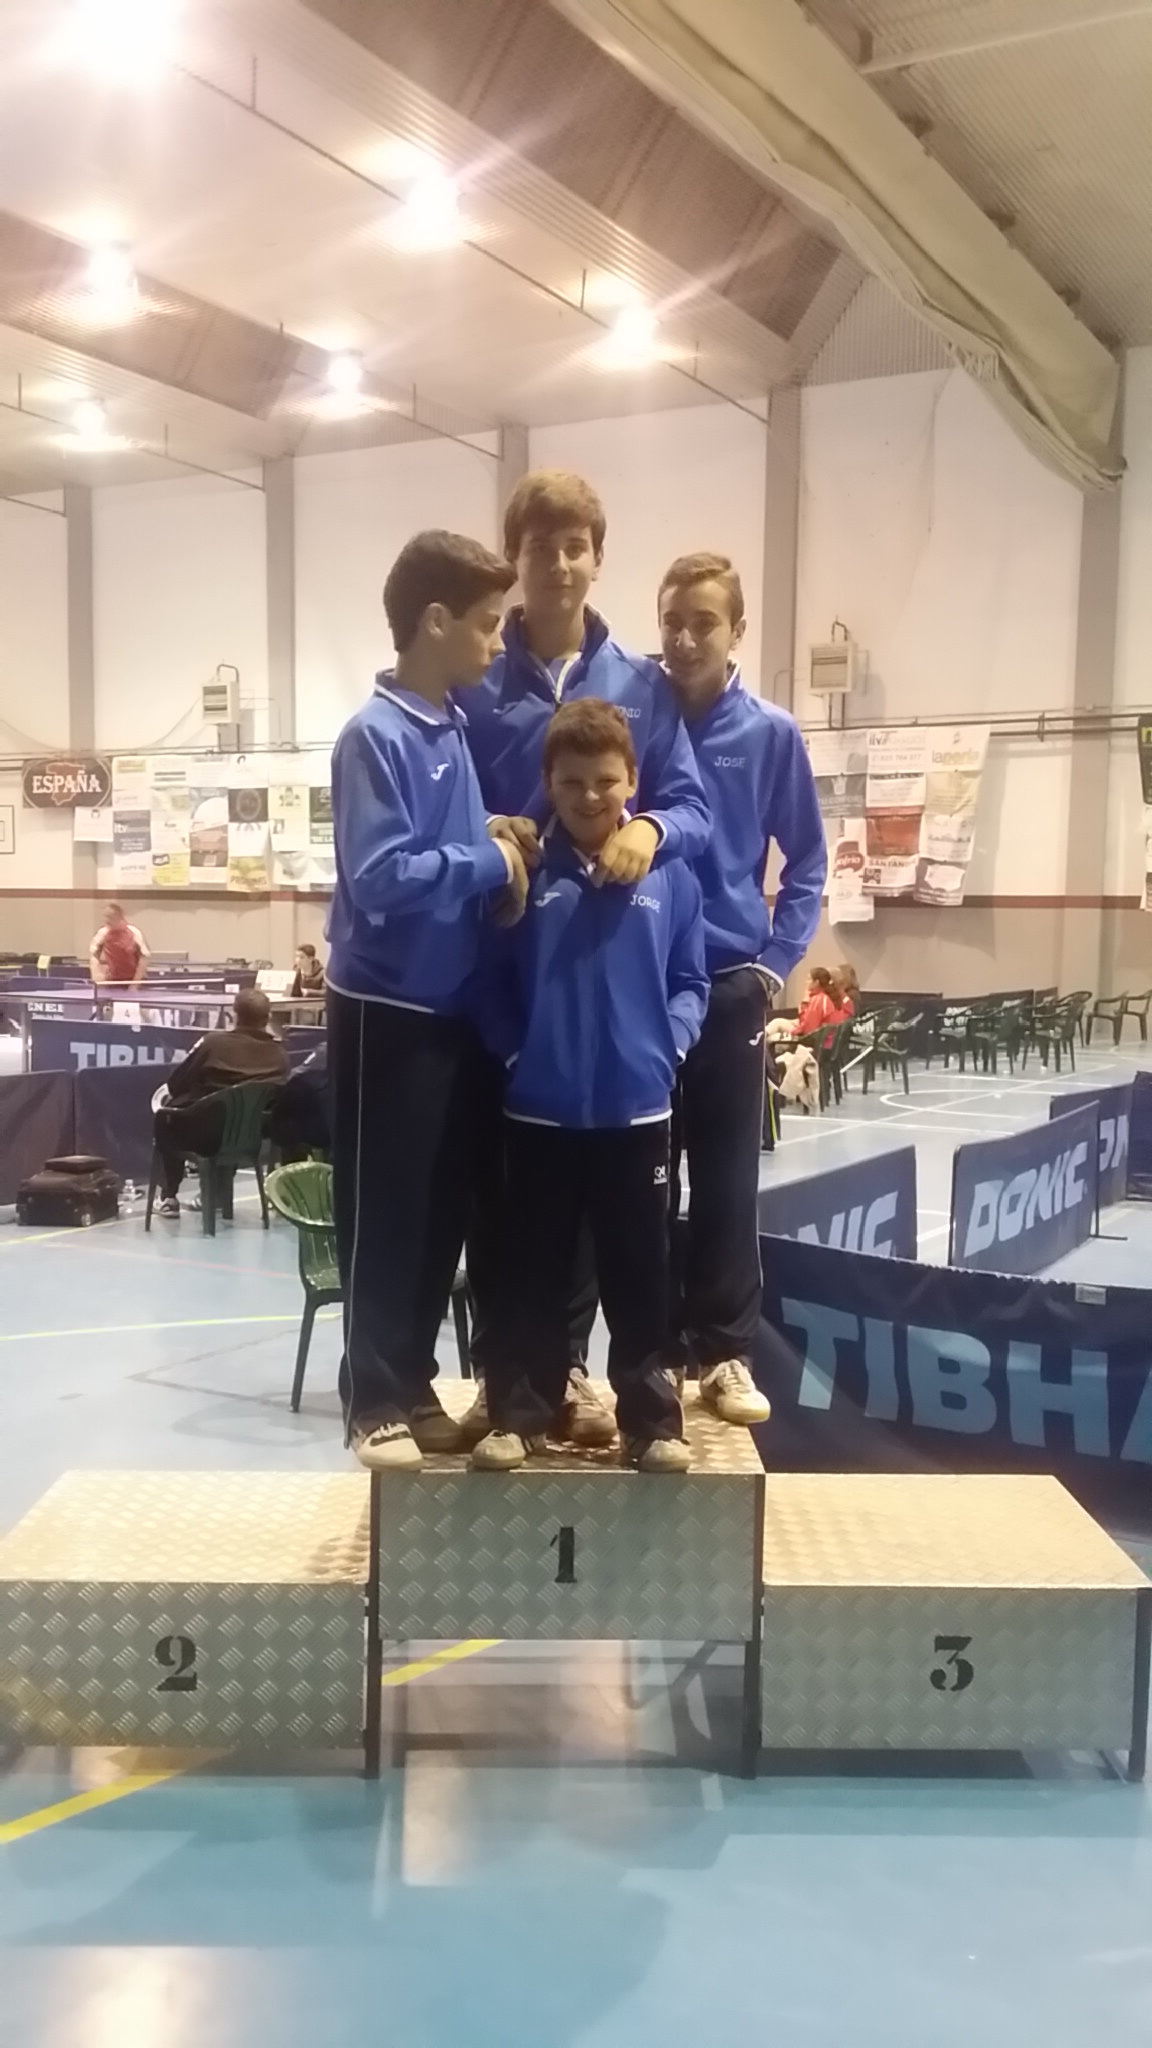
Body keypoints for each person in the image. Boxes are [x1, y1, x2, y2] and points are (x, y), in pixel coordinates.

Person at [452, 469, 710, 1438]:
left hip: (626, 1064)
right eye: (539, 547)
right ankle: (513, 1384)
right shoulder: (478, 674)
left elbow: (691, 810)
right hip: (506, 980)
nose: (558, 564)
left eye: (575, 546)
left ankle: (590, 1381)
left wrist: (652, 830)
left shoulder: (642, 686)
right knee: (513, 1223)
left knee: (630, 1246)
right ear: (514, 558)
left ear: (598, 558)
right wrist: (487, 837)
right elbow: (450, 807)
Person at [326, 529, 527, 1473]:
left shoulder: (449, 727)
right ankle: (370, 1397)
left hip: (453, 1009)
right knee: (385, 1214)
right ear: (436, 621)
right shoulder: (374, 736)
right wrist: (488, 859)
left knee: (439, 1212)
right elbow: (378, 876)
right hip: (385, 1011)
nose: (498, 641)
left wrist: (491, 828)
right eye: (487, 624)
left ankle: (411, 1380)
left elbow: (444, 838)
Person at [474, 700, 708, 1474]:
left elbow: (691, 981)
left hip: (637, 1117)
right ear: (549, 782)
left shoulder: (670, 873)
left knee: (641, 1277)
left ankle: (651, 1422)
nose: (588, 796)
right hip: (538, 1118)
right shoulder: (525, 872)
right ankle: (521, 1415)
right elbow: (489, 984)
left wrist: (668, 1049)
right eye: (571, 781)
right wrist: (519, 1056)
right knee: (531, 1276)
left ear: (632, 780)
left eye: (605, 780)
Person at [658, 551, 826, 1423]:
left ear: (737, 633)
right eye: (672, 622)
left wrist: (774, 963)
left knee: (724, 1180)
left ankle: (723, 1353)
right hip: (643, 987)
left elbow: (809, 863)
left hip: (728, 987)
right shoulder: (637, 717)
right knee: (641, 1182)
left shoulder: (771, 735)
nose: (685, 640)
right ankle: (652, 1354)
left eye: (704, 623)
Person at [152, 987, 289, 1215]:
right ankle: (214, 1194)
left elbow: (176, 1084)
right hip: (252, 1135)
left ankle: (169, 1196)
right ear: (267, 1018)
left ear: (235, 1015)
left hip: (205, 1134)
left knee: (166, 1118)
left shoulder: (213, 1043)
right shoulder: (279, 1054)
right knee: (234, 1117)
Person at [90, 903, 149, 985]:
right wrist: (97, 976)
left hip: (133, 980)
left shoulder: (134, 933)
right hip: (112, 981)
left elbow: (143, 959)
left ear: (119, 917)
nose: (106, 920)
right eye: (105, 916)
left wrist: (134, 985)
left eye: (109, 917)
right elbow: (94, 956)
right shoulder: (102, 933)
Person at [795, 966, 851, 1039]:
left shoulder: (818, 999)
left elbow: (809, 1030)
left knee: (780, 1025)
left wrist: (792, 1033)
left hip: (819, 1040)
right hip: (827, 1037)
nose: (806, 982)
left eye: (808, 979)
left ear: (816, 982)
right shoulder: (825, 997)